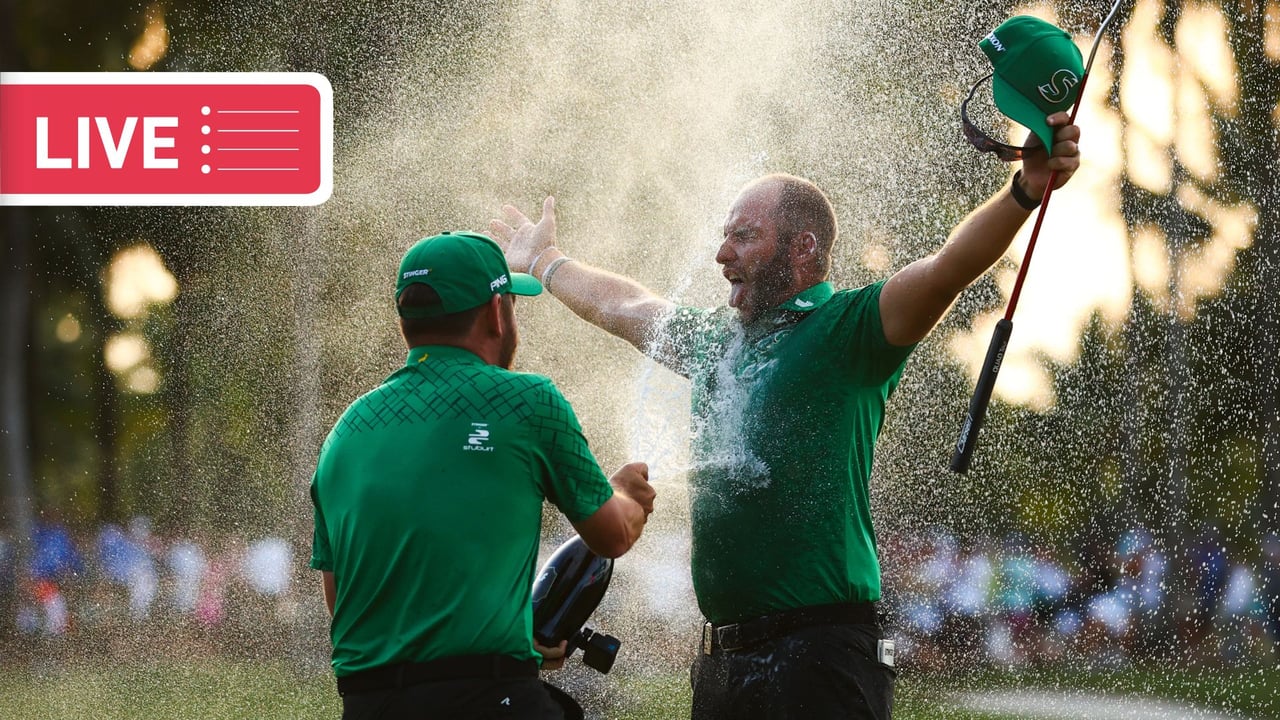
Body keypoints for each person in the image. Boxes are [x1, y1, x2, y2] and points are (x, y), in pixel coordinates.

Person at [491, 101, 1080, 716]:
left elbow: (946, 269)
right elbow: (626, 305)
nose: (722, 254)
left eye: (743, 236)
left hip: (820, 651)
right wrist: (545, 263)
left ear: (803, 247)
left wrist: (1024, 189)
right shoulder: (718, 341)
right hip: (722, 658)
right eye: (725, 236)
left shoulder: (848, 329)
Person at [309, 231, 656, 720]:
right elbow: (612, 534)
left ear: (407, 321)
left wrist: (513, 638)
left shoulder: (344, 434)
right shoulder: (527, 401)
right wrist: (625, 491)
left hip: (369, 704)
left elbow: (346, 600)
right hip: (490, 699)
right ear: (497, 311)